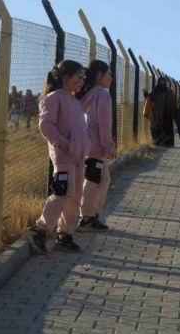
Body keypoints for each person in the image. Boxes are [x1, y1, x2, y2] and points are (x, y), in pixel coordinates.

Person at [26, 60, 89, 254]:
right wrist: (64, 143)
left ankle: (65, 234)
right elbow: (46, 126)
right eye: (79, 77)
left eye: (83, 77)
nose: (82, 81)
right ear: (65, 78)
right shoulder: (53, 98)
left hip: (78, 156)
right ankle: (40, 229)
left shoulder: (74, 101)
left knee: (76, 196)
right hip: (63, 156)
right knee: (63, 193)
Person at [75, 60, 116, 233]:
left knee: (100, 179)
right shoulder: (102, 95)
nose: (111, 79)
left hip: (85, 143)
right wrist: (109, 144)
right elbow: (104, 123)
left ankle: (91, 215)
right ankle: (87, 217)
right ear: (100, 75)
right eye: (108, 74)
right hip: (97, 146)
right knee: (95, 181)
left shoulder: (86, 94)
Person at [144, 77, 176, 147]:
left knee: (167, 128)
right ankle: (158, 142)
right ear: (158, 82)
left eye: (163, 82)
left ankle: (167, 143)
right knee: (157, 128)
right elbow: (150, 99)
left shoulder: (169, 92)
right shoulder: (155, 91)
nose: (162, 83)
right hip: (157, 114)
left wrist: (173, 113)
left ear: (165, 82)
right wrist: (146, 95)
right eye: (160, 81)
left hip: (167, 115)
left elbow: (173, 104)